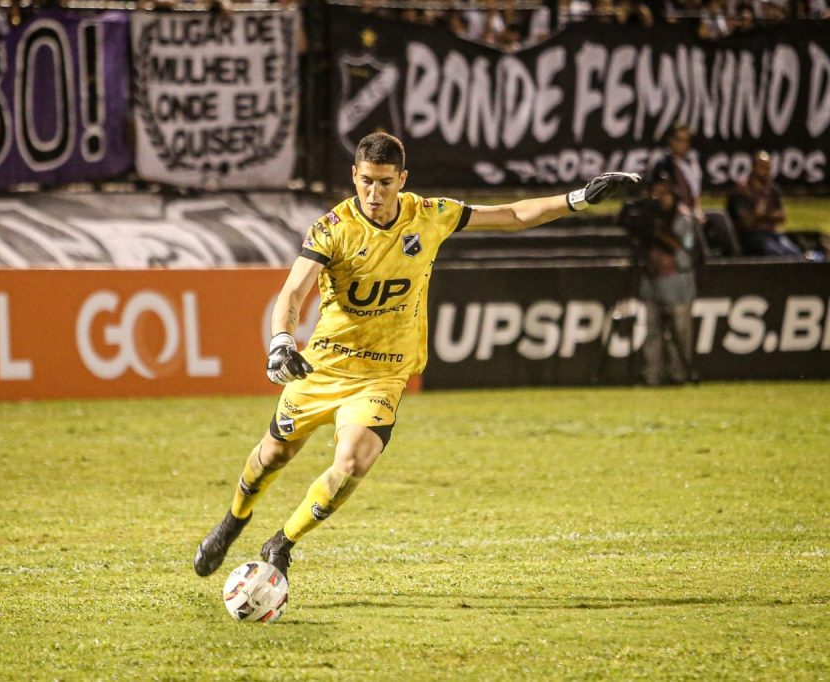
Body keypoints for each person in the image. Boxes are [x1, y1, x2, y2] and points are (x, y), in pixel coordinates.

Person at [193, 132, 640, 582]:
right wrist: (282, 341)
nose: (374, 193)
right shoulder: (333, 227)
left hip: (383, 374)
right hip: (325, 367)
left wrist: (578, 198)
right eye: (366, 181)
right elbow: (292, 291)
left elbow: (511, 215)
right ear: (354, 176)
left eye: (385, 182)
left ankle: (282, 543)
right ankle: (234, 519)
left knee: (352, 462)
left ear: (402, 179)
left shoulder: (429, 215)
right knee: (274, 456)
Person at [621, 170, 701, 386]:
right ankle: (651, 377)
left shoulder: (682, 215)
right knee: (651, 333)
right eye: (655, 192)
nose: (659, 197)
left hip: (678, 282)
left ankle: (679, 375)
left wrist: (657, 230)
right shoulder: (647, 215)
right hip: (651, 279)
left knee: (680, 334)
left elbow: (681, 247)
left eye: (664, 192)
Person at [649, 124, 737, 256]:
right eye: (679, 140)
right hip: (673, 215)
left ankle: (735, 258)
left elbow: (695, 194)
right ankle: (704, 260)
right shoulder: (663, 165)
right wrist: (684, 211)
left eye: (686, 141)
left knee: (719, 217)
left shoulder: (690, 164)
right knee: (689, 222)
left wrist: (697, 210)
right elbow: (660, 195)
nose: (683, 145)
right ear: (671, 141)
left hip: (692, 211)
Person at [726, 151, 802, 257]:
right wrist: (764, 211)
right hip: (749, 236)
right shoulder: (741, 191)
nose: (766, 171)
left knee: (794, 252)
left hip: (771, 233)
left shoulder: (772, 190)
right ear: (753, 167)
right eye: (762, 167)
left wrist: (762, 216)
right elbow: (748, 222)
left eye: (768, 168)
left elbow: (781, 216)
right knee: (774, 252)